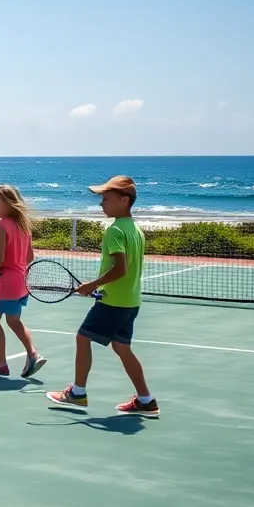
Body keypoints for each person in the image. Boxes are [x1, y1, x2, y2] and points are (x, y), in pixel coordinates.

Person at [46, 176, 158, 417]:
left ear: (123, 199)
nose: (101, 205)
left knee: (82, 338)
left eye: (105, 199)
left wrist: (92, 284)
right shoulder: (135, 229)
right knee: (122, 348)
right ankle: (146, 400)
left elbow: (120, 269)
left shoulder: (115, 231)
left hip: (113, 303)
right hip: (130, 302)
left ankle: (77, 393)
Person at [0, 185, 46, 378]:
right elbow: (29, 256)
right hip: (21, 282)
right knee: (13, 321)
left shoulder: (1, 226)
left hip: (6, 284)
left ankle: (1, 364)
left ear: (7, 203)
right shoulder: (24, 226)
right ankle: (33, 354)